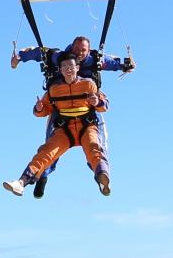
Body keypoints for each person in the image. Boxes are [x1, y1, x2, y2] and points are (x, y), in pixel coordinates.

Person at [9, 36, 132, 196]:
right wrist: (19, 57)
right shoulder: (58, 59)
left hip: (87, 113)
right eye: (76, 50)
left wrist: (124, 65)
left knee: (95, 147)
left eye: (83, 50)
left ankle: (102, 177)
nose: (79, 53)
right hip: (61, 113)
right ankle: (39, 178)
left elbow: (109, 63)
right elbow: (39, 53)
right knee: (48, 150)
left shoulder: (92, 68)